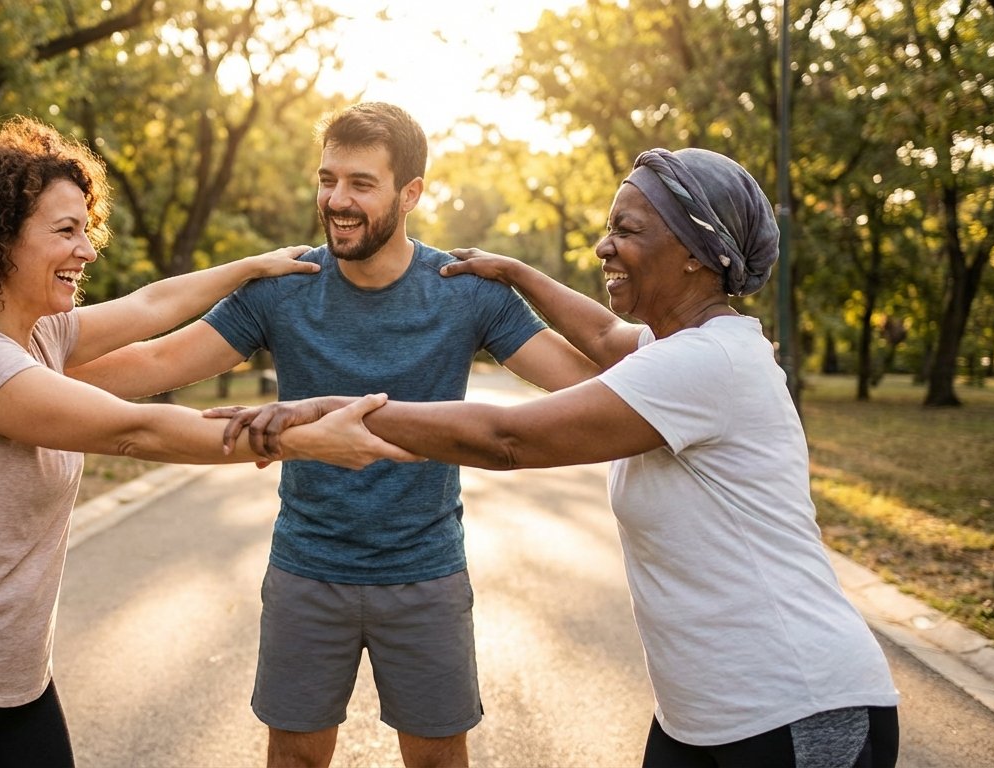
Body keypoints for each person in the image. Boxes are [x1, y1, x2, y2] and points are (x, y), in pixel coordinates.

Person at [214, 148, 902, 768]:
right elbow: (603, 335)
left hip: (795, 708)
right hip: (703, 719)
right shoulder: (679, 351)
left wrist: (321, 411)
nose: (605, 245)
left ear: (696, 252)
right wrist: (515, 271)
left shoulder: (706, 363)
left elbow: (507, 439)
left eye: (628, 230)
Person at [0, 116, 410, 768]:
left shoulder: (41, 334)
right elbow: (135, 429)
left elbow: (151, 305)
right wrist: (305, 441)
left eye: (86, 228)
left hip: (15, 687)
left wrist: (252, 267)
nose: (87, 250)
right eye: (65, 232)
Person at [67, 102, 596, 767]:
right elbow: (156, 362)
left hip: (426, 571)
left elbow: (576, 382)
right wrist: (27, 374)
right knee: (295, 757)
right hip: (307, 567)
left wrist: (672, 373)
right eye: (327, 179)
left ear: (411, 194)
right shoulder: (283, 290)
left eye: (360, 184)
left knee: (437, 760)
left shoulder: (467, 293)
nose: (336, 200)